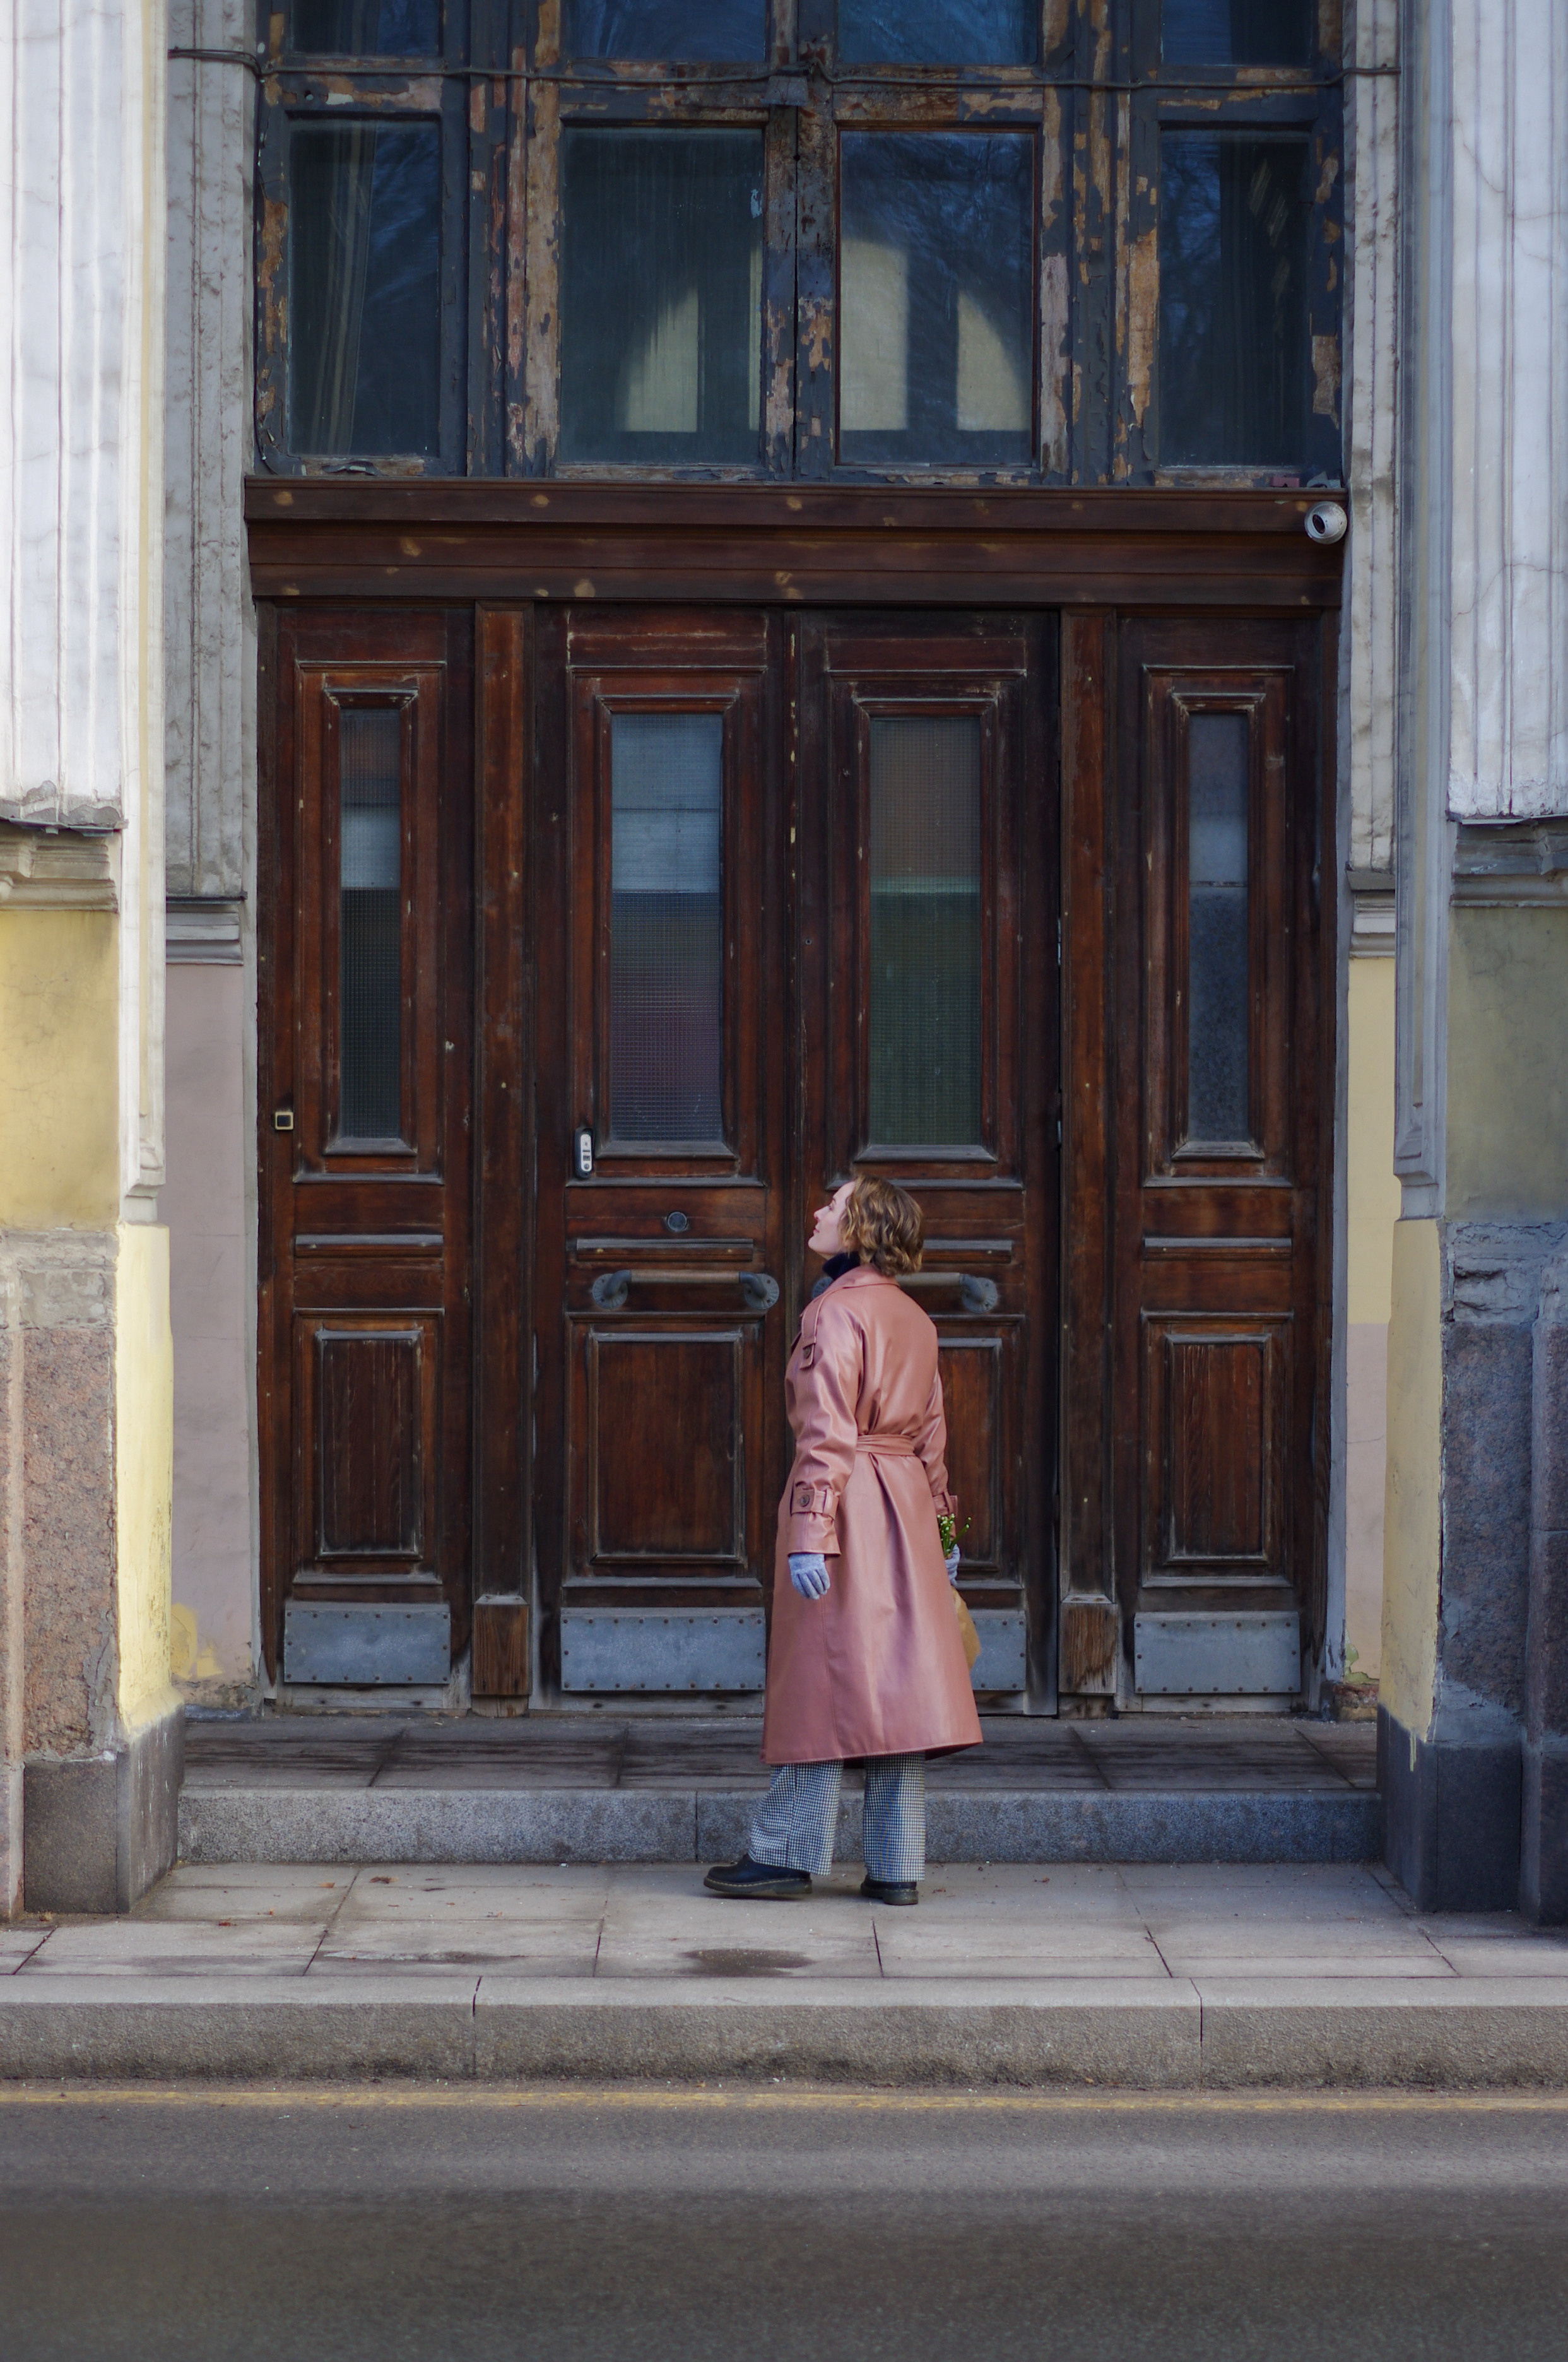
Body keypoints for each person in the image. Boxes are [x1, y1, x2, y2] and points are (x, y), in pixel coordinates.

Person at [704, 1174, 982, 1906]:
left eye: (834, 1204)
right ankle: (897, 1866)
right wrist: (947, 1536)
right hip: (910, 1511)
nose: (819, 1210)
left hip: (850, 1507)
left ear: (859, 1228)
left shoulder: (831, 1313)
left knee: (820, 1681)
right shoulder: (915, 1318)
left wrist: (807, 1531)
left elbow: (825, 1436)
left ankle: (784, 1854)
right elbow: (933, 1446)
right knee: (900, 1689)